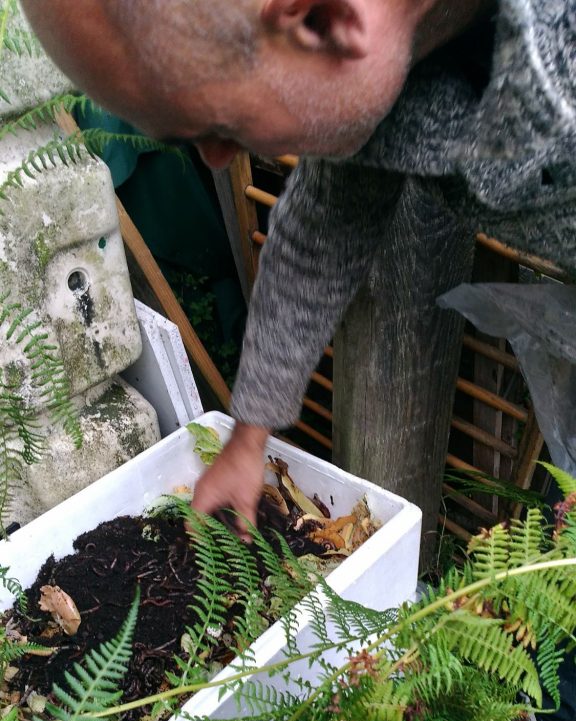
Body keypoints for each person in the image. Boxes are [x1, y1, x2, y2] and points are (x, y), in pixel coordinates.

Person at [22, 0, 576, 534]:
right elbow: (316, 241)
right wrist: (248, 439)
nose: (216, 158)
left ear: (321, 17)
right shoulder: (364, 71)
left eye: (219, 128)